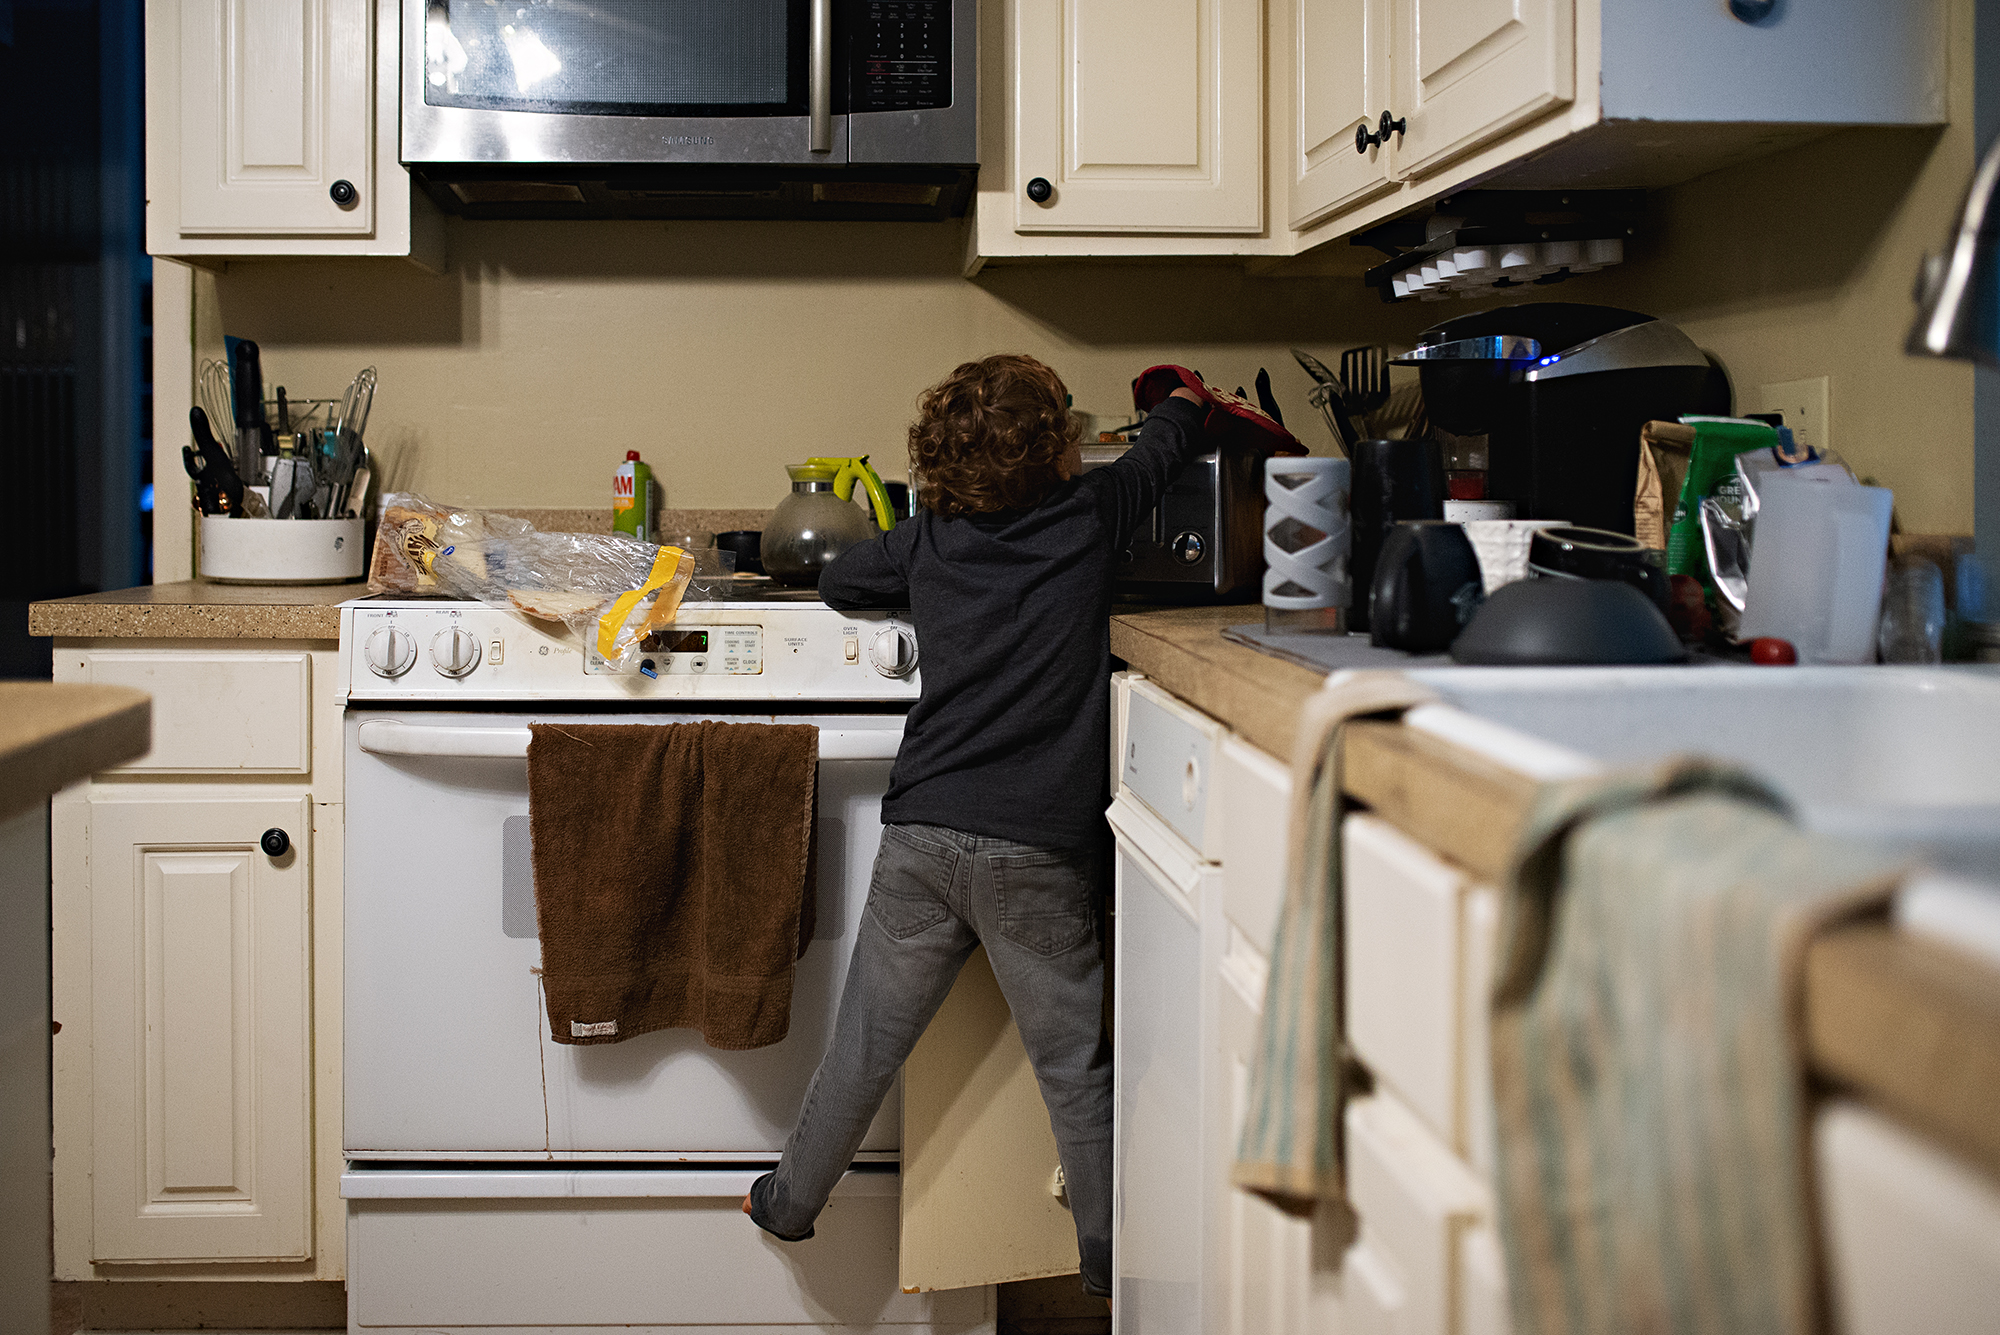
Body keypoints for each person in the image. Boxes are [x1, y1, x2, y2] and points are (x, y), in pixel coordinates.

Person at [742, 353, 1209, 1300]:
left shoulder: (930, 538)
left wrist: (917, 573)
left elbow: (840, 583)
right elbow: (1162, 454)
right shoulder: (1091, 515)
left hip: (924, 838)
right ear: (1062, 447)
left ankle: (788, 1201)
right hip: (1040, 851)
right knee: (1075, 1071)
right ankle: (1116, 1270)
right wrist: (1183, 399)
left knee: (864, 1043)